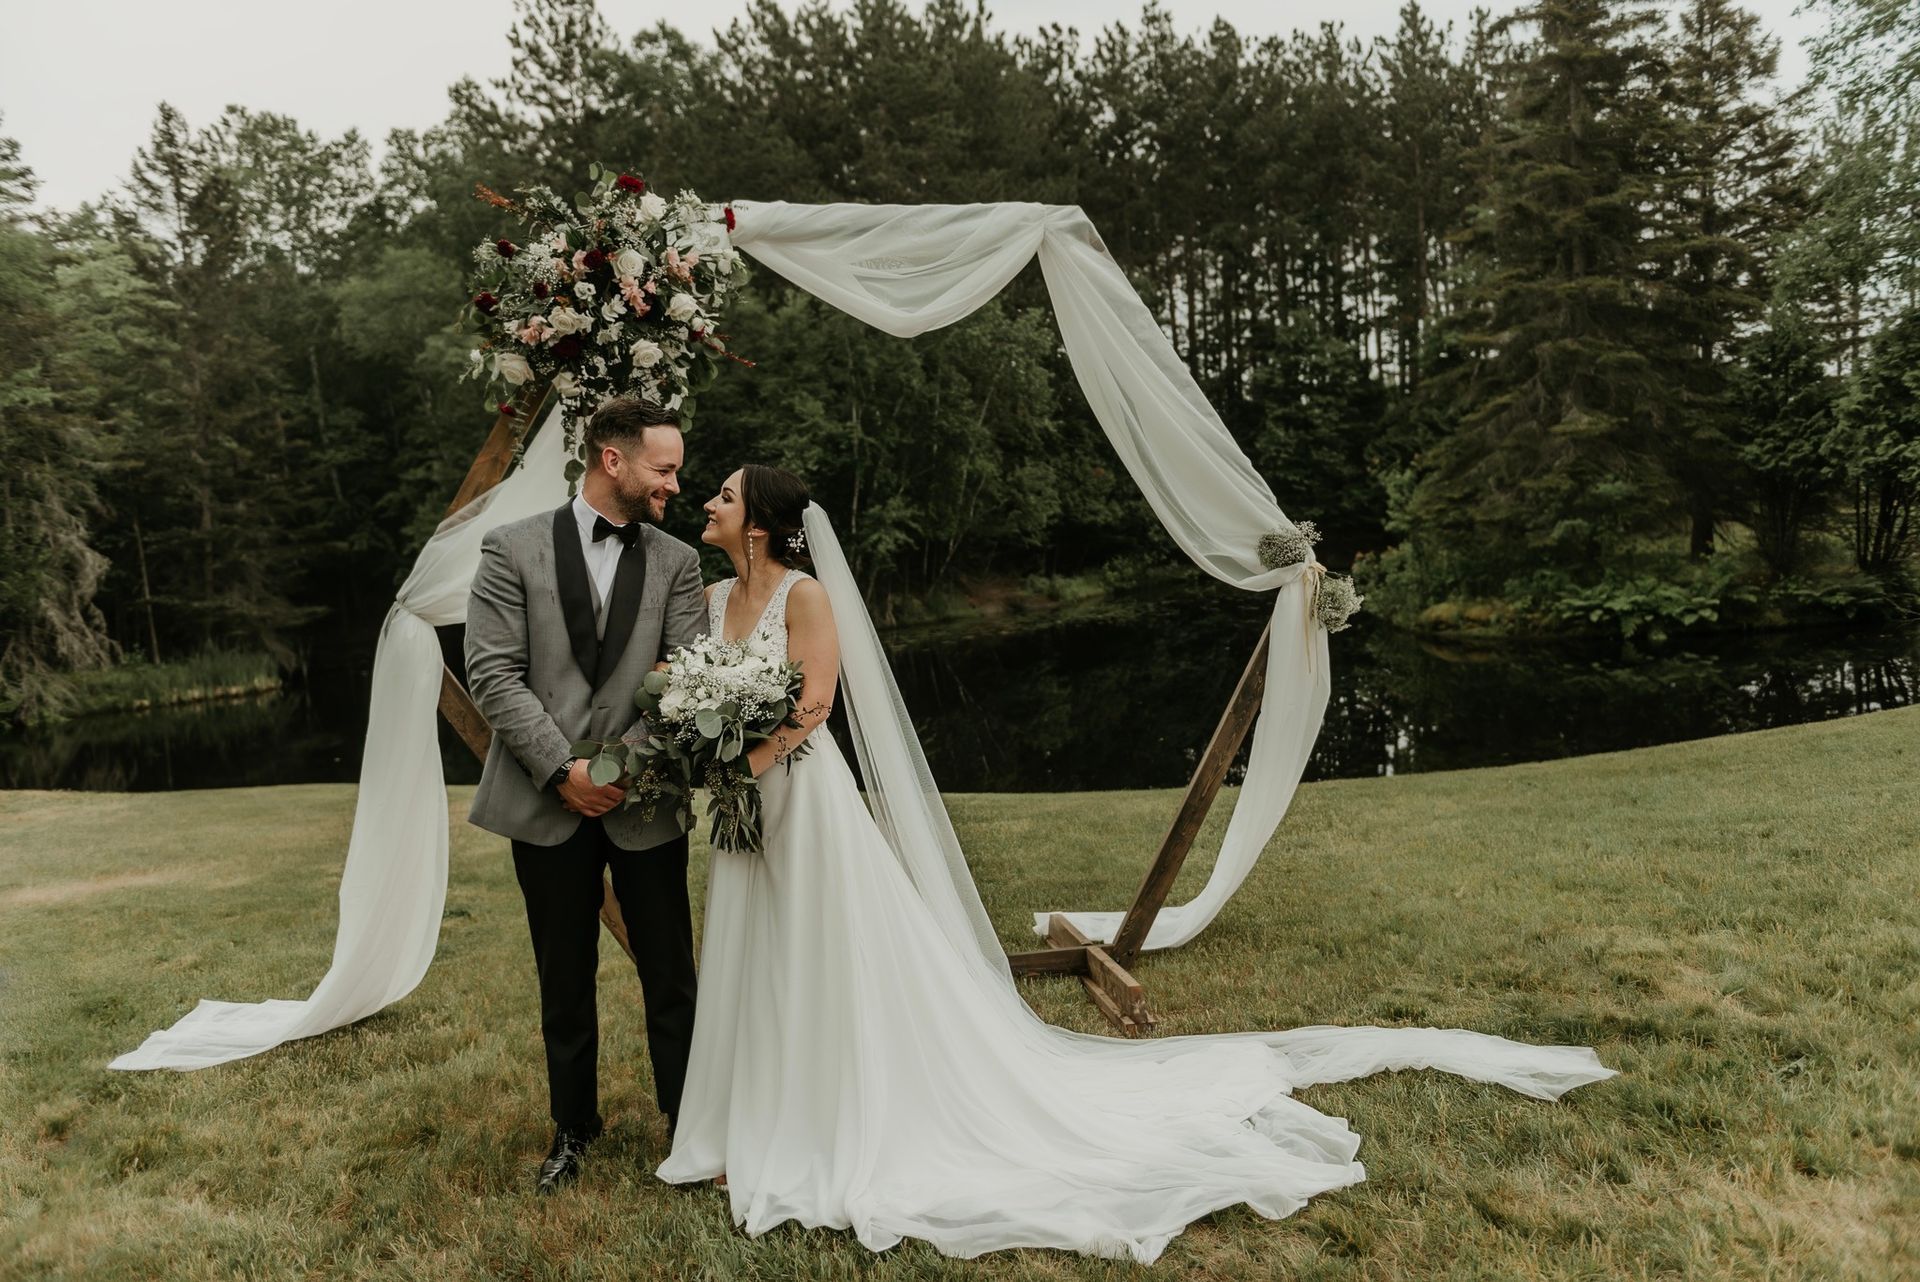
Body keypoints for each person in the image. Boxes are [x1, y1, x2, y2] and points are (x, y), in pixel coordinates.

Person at [657, 463, 1616, 1263]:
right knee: (754, 947)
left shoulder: (804, 593)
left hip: (801, 795)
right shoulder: (708, 596)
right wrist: (709, 751)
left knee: (819, 951)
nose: (708, 503)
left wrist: (745, 758)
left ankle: (827, 1119)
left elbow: (815, 705)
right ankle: (749, 1124)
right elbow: (693, 685)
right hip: (747, 804)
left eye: (725, 497)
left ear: (764, 525)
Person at [463, 396, 707, 1194]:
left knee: (670, 970)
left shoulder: (677, 562)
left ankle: (688, 1121)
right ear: (614, 461)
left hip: (644, 801)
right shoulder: (509, 549)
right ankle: (573, 1128)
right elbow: (492, 674)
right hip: (543, 799)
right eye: (663, 467)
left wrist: (616, 774)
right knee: (561, 975)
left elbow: (684, 679)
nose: (675, 482)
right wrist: (564, 771)